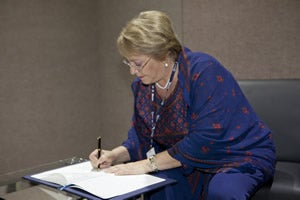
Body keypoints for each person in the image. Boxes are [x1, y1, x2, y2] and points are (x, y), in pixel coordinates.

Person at [89, 10, 276, 200]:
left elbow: (204, 140)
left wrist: (147, 164)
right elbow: (141, 137)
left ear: (162, 54)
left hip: (236, 156)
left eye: (137, 64)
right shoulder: (142, 87)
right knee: (158, 186)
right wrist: (113, 156)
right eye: (128, 63)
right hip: (184, 161)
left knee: (222, 192)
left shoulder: (203, 71)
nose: (132, 71)